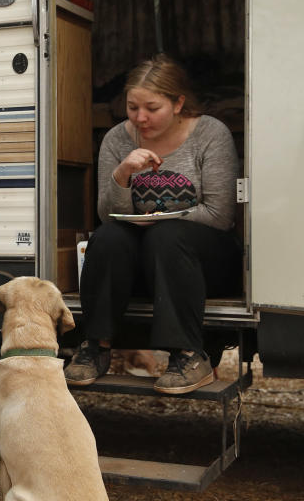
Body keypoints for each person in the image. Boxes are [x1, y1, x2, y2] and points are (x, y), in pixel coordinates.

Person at [64, 54, 241, 394]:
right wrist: (123, 173)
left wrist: (159, 222)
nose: (141, 118)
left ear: (178, 103)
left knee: (168, 235)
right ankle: (96, 346)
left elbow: (220, 215)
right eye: (132, 108)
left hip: (205, 260)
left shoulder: (209, 134)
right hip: (146, 258)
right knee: (109, 236)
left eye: (152, 108)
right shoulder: (118, 139)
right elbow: (108, 214)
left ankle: (188, 354)